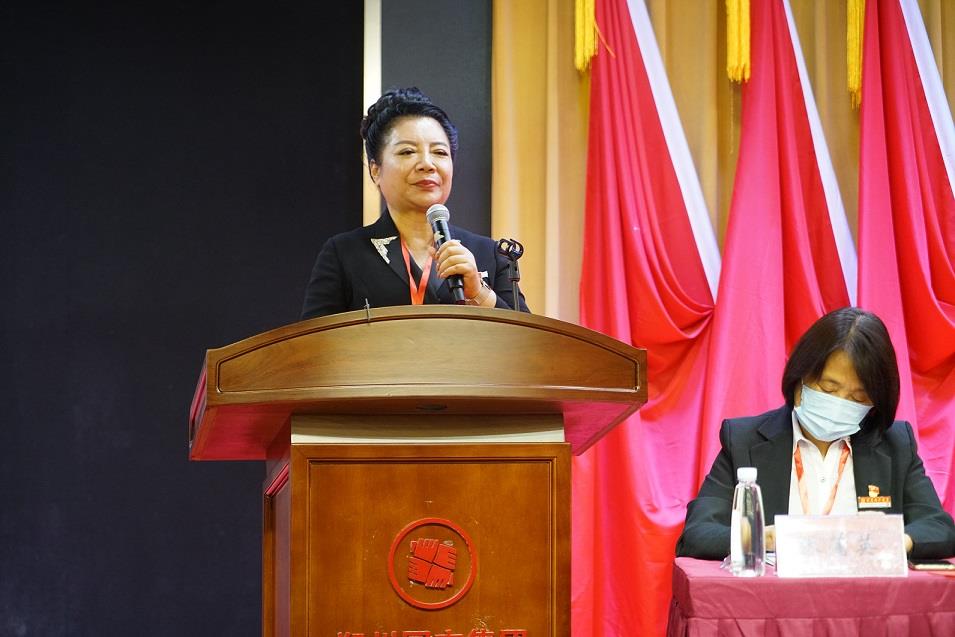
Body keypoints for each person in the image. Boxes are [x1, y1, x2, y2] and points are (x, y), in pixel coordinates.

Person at [677, 307, 955, 560]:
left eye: (858, 398)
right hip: (774, 596)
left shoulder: (894, 443)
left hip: (865, 596)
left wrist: (893, 541)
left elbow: (939, 528)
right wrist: (762, 538)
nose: (841, 403)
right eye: (829, 389)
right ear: (800, 378)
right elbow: (697, 534)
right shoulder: (745, 440)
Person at [301, 87, 529, 319]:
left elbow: (527, 337)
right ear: (376, 170)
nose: (427, 164)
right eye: (408, 152)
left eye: (440, 152)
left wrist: (479, 292)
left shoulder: (488, 253)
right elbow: (314, 338)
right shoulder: (344, 253)